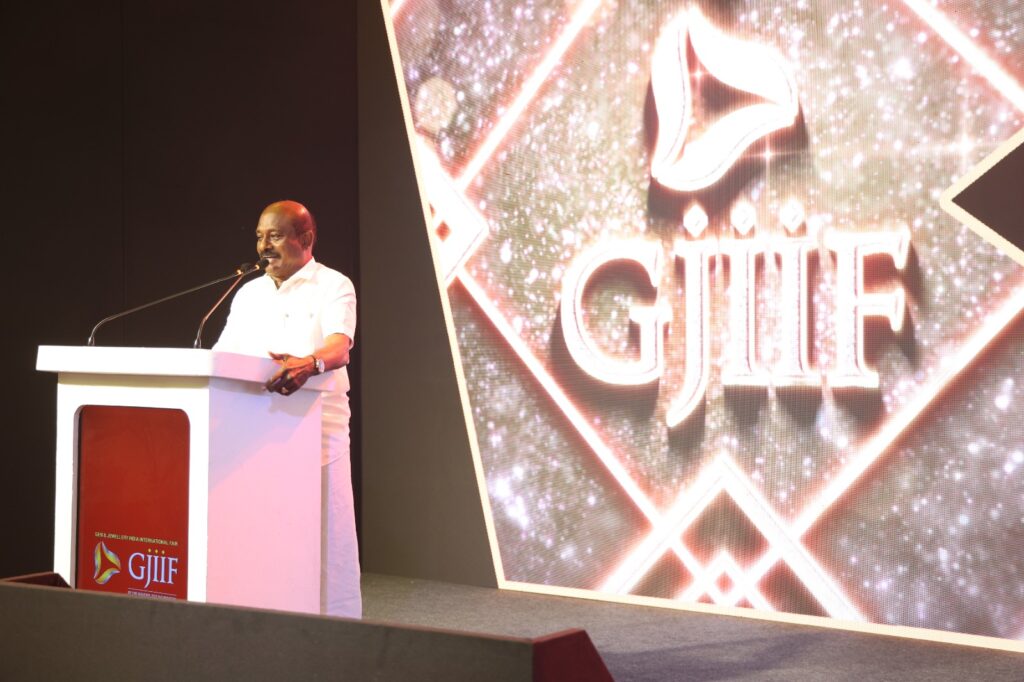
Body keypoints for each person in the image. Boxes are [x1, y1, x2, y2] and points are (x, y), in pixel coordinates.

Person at [214, 200, 360, 618]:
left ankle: (339, 631)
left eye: (275, 236)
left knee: (327, 539)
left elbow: (339, 347)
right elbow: (222, 356)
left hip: (316, 431)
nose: (264, 246)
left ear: (305, 238)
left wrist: (309, 363)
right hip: (252, 430)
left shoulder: (334, 285)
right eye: (260, 236)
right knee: (264, 538)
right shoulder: (248, 293)